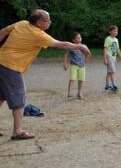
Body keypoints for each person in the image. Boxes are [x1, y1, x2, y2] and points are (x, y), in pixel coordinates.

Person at [0, 9, 91, 140]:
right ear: (38, 22)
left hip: (1, 60)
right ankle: (17, 131)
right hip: (11, 66)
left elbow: (3, 31)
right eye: (47, 20)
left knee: (1, 96)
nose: (50, 22)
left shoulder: (22, 23)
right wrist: (80, 47)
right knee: (20, 98)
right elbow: (61, 44)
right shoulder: (38, 35)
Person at [64, 32, 88, 99]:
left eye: (80, 37)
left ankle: (79, 93)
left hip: (82, 65)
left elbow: (87, 53)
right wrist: (65, 64)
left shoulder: (84, 46)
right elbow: (66, 55)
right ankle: (69, 92)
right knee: (72, 79)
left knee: (81, 79)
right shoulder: (71, 46)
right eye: (78, 38)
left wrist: (86, 59)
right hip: (73, 65)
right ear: (74, 40)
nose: (80, 39)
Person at [103, 25, 121, 91]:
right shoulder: (108, 39)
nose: (116, 32)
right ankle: (113, 84)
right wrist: (105, 58)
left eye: (117, 31)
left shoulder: (116, 40)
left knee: (109, 72)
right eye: (114, 31)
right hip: (109, 56)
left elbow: (118, 49)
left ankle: (107, 85)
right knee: (113, 71)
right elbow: (105, 49)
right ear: (110, 32)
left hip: (113, 58)